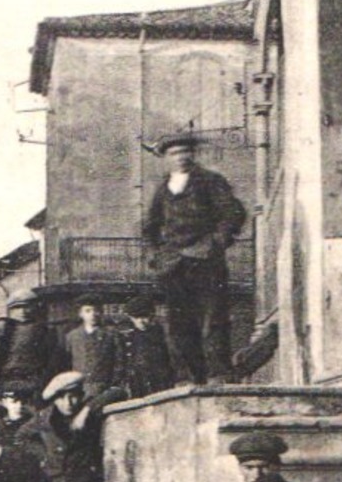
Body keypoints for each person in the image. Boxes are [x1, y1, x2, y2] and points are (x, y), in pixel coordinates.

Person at [142, 132, 249, 384]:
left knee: (213, 318)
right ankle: (192, 376)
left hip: (205, 261)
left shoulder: (210, 181)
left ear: (193, 154)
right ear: (166, 158)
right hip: (173, 265)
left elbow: (234, 214)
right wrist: (155, 254)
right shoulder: (162, 189)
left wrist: (215, 243)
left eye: (184, 152)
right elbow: (150, 226)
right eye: (174, 153)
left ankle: (218, 373)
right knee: (180, 324)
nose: (180, 157)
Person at [0, 293, 56, 402]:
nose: (23, 312)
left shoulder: (43, 329)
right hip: (7, 380)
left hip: (33, 379)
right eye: (17, 308)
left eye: (27, 307)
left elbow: (49, 357)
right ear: (10, 310)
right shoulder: (3, 328)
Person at [60, 294, 122, 397]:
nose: (93, 314)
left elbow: (119, 360)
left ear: (101, 312)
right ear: (81, 314)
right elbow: (65, 363)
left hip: (104, 387)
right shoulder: (72, 336)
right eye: (88, 311)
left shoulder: (111, 334)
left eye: (96, 310)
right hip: (78, 388)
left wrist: (114, 383)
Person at [116, 294, 174, 399]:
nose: (141, 321)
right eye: (136, 317)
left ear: (151, 316)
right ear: (130, 318)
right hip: (137, 383)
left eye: (144, 316)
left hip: (159, 382)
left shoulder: (159, 336)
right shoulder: (127, 337)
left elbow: (167, 361)